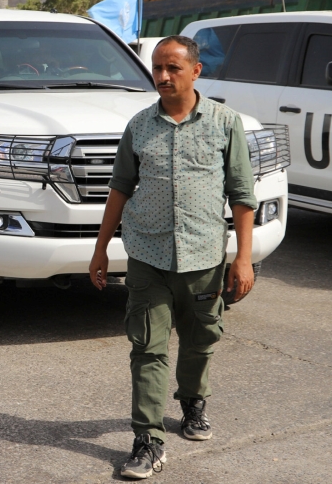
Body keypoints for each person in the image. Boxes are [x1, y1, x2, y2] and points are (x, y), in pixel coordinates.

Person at [89, 35, 257, 480]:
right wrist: (101, 248)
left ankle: (192, 401)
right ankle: (147, 439)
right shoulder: (140, 125)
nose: (162, 76)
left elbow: (242, 196)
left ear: (196, 71)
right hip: (148, 254)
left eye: (173, 68)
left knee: (202, 340)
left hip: (204, 256)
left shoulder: (224, 122)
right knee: (147, 348)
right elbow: (120, 188)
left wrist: (242, 259)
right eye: (157, 69)